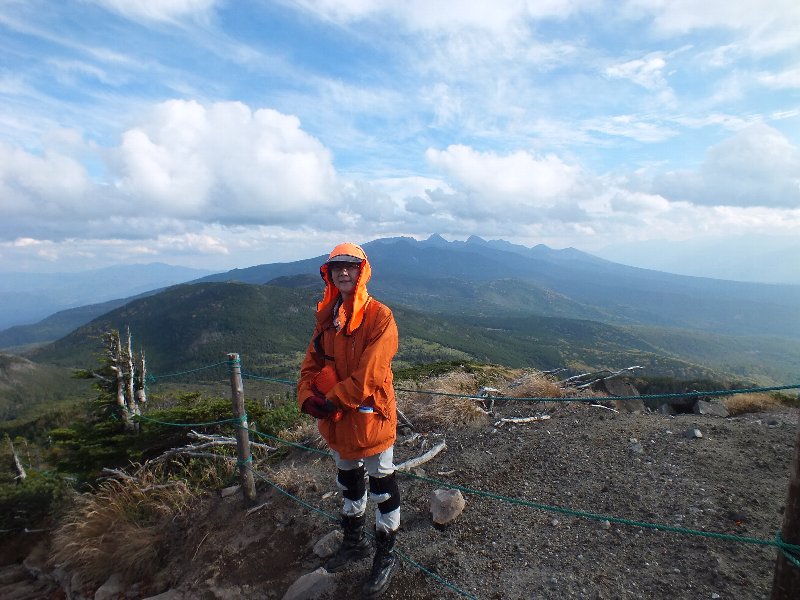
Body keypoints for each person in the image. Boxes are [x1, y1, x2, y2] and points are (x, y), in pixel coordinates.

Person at [297, 242, 400, 599]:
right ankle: (354, 542)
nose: (343, 271)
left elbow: (371, 374)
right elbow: (310, 365)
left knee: (382, 484)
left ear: (362, 271)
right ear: (329, 274)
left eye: (351, 266)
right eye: (336, 267)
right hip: (338, 420)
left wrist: (330, 400)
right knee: (348, 480)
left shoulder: (380, 317)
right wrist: (306, 397)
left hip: (370, 419)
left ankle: (386, 554)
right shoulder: (328, 319)